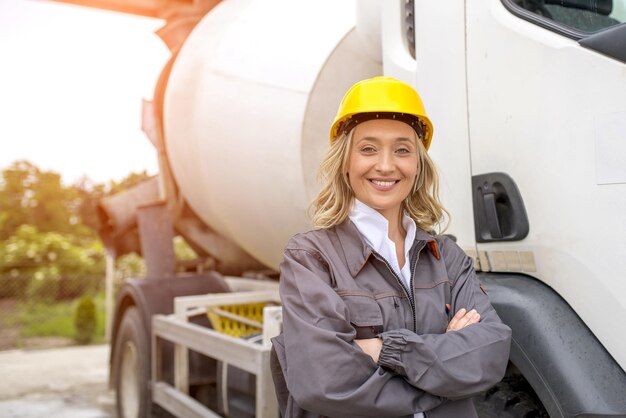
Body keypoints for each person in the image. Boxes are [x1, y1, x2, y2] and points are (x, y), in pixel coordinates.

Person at [270, 76, 512, 418]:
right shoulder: (311, 257)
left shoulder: (447, 258)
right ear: (346, 162)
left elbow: (490, 353)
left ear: (418, 164)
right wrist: (448, 373)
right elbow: (324, 382)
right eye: (368, 149)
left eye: (402, 149)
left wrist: (383, 349)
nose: (386, 165)